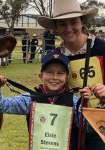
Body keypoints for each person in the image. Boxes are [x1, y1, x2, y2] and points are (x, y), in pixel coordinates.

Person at [37, 0, 105, 149]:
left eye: (73, 22)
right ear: (56, 28)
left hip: (100, 127)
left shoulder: (101, 48)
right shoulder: (56, 57)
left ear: (82, 22)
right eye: (62, 24)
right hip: (69, 128)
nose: (68, 29)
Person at [0, 51, 91, 149]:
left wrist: (87, 104)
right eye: (49, 72)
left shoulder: (73, 101)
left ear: (66, 77)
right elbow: (2, 105)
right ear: (41, 76)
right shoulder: (30, 99)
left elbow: (86, 127)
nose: (55, 77)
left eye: (60, 73)